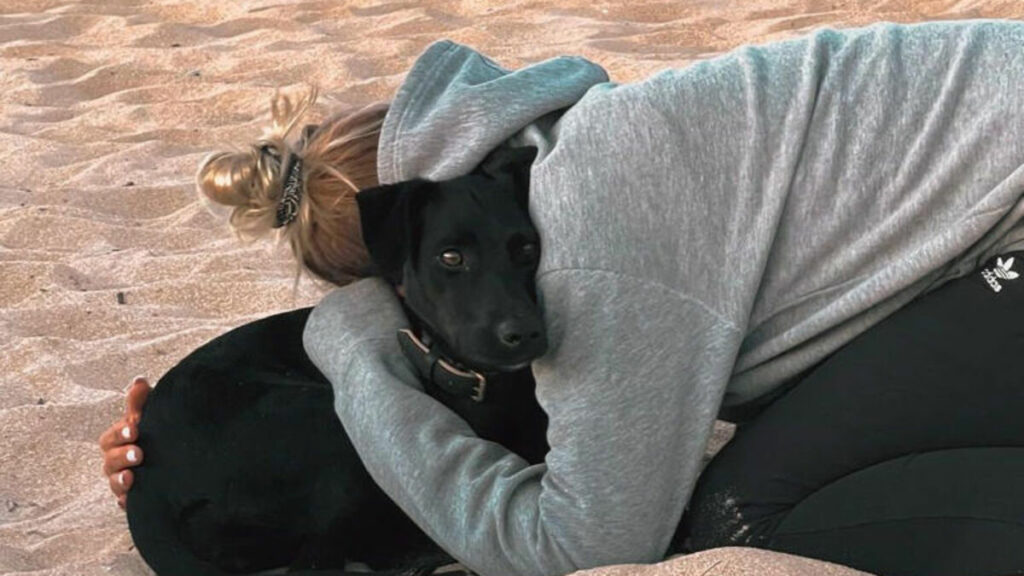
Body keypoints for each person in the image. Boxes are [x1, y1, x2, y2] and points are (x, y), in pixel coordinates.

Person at [100, 20, 1024, 576]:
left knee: (740, 521)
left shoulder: (593, 241)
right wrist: (183, 436)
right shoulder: (559, 145)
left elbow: (583, 545)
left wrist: (353, 362)